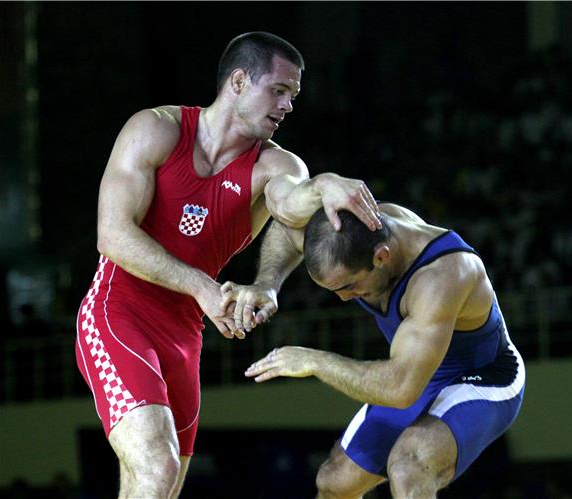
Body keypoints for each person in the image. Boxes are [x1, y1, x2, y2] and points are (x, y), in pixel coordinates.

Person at [75, 31, 382, 499]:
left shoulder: (276, 167)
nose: (288, 106)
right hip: (118, 316)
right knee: (156, 468)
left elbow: (293, 208)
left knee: (157, 485)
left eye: (294, 96)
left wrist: (269, 280)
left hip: (185, 337)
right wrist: (202, 286)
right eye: (278, 90)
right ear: (238, 81)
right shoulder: (156, 129)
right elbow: (112, 234)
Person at [241, 204, 526, 498]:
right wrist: (266, 284)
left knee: (408, 469)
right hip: (417, 370)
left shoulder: (443, 275)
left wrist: (315, 361)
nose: (342, 298)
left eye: (349, 285)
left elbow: (401, 388)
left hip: (483, 376)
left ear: (381, 257)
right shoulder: (353, 228)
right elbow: (287, 225)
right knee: (334, 482)